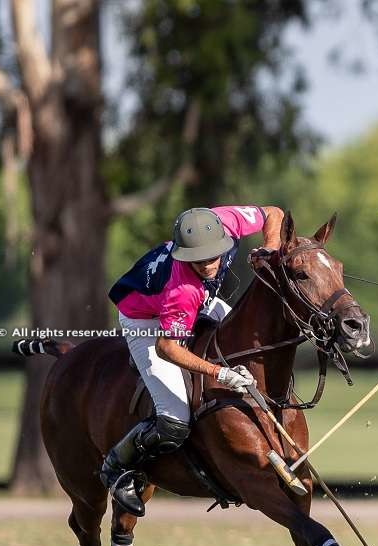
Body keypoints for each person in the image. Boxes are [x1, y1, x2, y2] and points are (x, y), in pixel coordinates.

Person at [102, 205, 283, 516]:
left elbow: (273, 213)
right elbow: (167, 348)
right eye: (198, 260)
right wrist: (220, 373)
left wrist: (270, 248)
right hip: (147, 321)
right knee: (174, 419)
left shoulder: (225, 221)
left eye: (213, 255)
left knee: (251, 345)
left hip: (201, 301)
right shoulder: (181, 287)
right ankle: (116, 466)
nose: (209, 264)